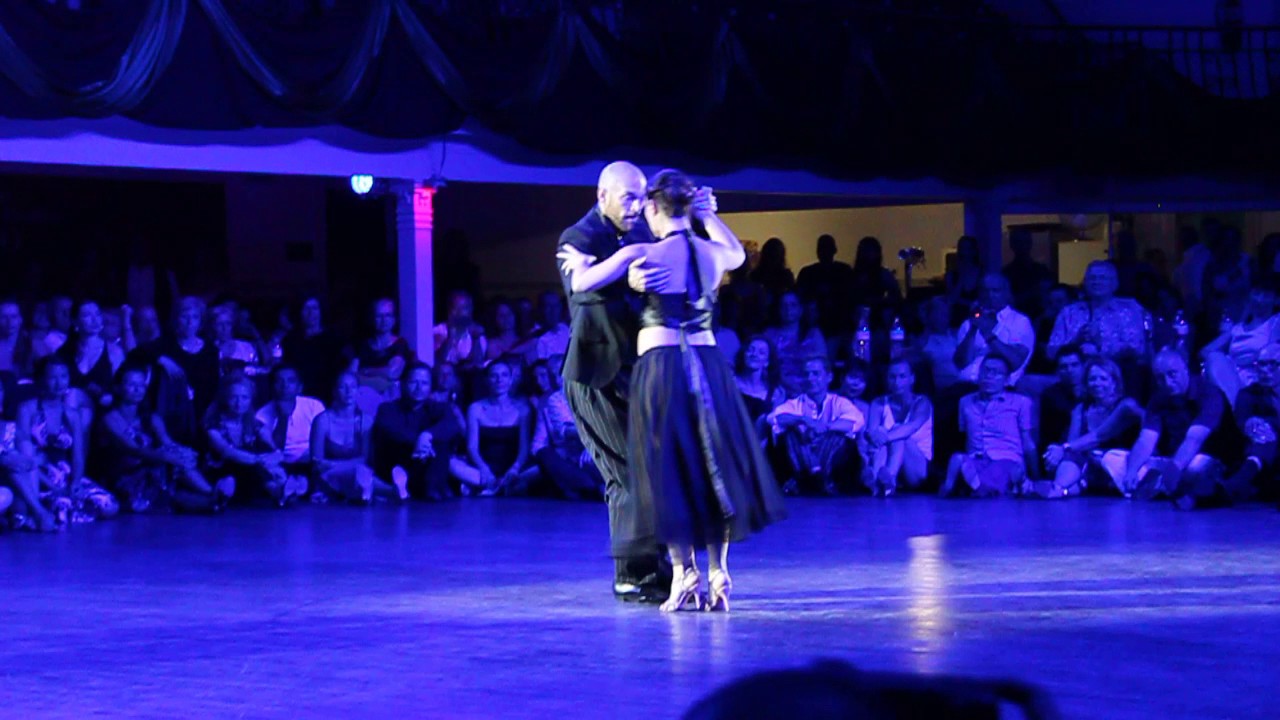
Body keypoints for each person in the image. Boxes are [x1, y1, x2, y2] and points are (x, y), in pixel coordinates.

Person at [559, 169, 785, 613]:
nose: (639, 208)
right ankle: (718, 572)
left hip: (662, 367)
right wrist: (709, 218)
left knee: (667, 473)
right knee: (709, 468)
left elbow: (582, 282)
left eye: (644, 201)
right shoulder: (713, 253)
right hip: (707, 365)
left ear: (656, 207)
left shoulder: (644, 249)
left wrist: (585, 265)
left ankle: (684, 576)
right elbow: (738, 254)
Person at [555, 161, 669, 603]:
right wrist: (626, 272)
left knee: (648, 471)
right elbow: (581, 289)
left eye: (642, 198)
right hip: (593, 376)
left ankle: (651, 567)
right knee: (626, 473)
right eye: (629, 198)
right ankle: (632, 575)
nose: (638, 206)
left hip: (631, 372)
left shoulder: (640, 234)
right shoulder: (578, 238)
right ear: (602, 196)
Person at [1102, 348, 1243, 500]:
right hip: (1172, 459)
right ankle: (1163, 487)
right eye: (1160, 378)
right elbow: (1146, 440)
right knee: (1111, 457)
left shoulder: (1209, 394)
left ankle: (1161, 486)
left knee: (1195, 467)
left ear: (1185, 369)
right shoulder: (1158, 399)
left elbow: (1193, 440)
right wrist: (1131, 471)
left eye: (1172, 374)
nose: (1167, 383)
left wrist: (1172, 470)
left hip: (1207, 458)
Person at [1037, 357, 1143, 498]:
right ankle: (1058, 488)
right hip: (1092, 465)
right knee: (1072, 456)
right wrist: (1058, 452)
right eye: (1092, 379)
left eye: (1103, 379)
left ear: (1114, 383)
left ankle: (1055, 488)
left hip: (1123, 462)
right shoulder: (1081, 409)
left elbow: (1098, 436)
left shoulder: (1126, 406)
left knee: (1094, 458)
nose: (1097, 383)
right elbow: (1073, 443)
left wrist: (1063, 448)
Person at [940, 355, 1037, 497]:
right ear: (978, 375)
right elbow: (963, 435)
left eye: (996, 373)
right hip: (976, 460)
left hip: (1007, 460)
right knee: (957, 459)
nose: (989, 377)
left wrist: (1036, 475)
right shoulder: (965, 402)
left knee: (1003, 468)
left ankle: (976, 486)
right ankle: (967, 487)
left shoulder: (1021, 402)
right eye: (985, 371)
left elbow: (1027, 441)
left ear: (1007, 379)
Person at [863, 359, 933, 495]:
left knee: (899, 434)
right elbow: (872, 432)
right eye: (892, 377)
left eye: (902, 377)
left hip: (915, 468)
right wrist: (876, 435)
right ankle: (882, 483)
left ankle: (887, 477)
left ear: (912, 379)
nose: (897, 382)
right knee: (880, 434)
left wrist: (885, 436)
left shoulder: (922, 403)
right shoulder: (878, 403)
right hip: (884, 458)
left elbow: (912, 426)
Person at [795, 234, 854, 337]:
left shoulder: (844, 271)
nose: (825, 252)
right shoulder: (808, 273)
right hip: (815, 323)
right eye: (822, 249)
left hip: (839, 324)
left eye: (827, 248)